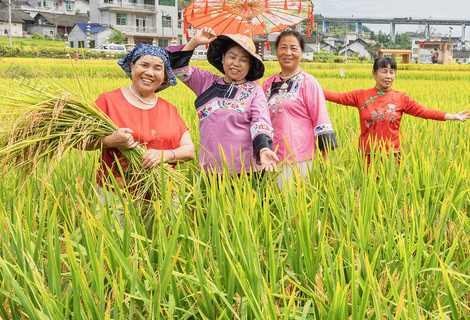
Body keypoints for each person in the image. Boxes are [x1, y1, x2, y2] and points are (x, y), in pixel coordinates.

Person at [88, 45, 195, 222]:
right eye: (144, 65)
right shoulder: (108, 101)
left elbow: (189, 150)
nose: (149, 73)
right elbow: (82, 142)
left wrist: (165, 155)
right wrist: (111, 140)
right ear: (132, 67)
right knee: (113, 246)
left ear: (165, 75)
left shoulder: (170, 110)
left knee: (161, 247)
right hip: (116, 196)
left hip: (162, 195)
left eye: (157, 68)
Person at [166, 29, 278, 175]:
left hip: (246, 171)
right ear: (223, 58)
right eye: (232, 57)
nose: (236, 63)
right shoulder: (206, 82)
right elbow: (178, 69)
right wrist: (194, 42)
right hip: (210, 171)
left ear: (250, 65)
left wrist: (263, 149)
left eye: (244, 60)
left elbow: (260, 123)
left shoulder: (254, 91)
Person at [324, 56, 470, 164]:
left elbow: (424, 112)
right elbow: (335, 96)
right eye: (384, 71)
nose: (388, 76)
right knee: (368, 194)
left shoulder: (401, 98)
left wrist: (451, 116)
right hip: (368, 155)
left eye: (392, 72)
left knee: (391, 194)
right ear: (374, 74)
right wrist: (307, 84)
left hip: (393, 155)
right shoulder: (361, 96)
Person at [263, 30, 336, 186]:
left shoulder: (309, 83)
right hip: (270, 158)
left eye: (293, 48)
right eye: (283, 47)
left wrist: (325, 164)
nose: (287, 52)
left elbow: (321, 123)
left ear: (301, 52)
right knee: (273, 206)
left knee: (295, 207)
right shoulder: (267, 83)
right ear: (276, 51)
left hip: (299, 159)